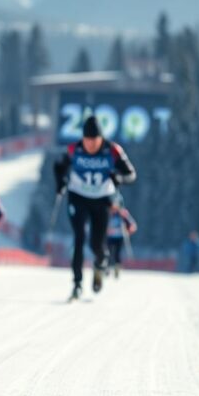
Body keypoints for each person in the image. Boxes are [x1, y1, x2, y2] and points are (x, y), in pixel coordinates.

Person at [53, 115, 136, 299]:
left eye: (94, 140)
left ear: (101, 138)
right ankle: (77, 284)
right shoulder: (74, 149)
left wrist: (119, 177)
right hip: (78, 197)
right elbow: (59, 166)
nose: (90, 144)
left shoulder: (112, 150)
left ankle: (101, 262)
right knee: (79, 238)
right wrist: (61, 183)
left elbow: (131, 174)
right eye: (87, 140)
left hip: (102, 200)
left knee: (96, 244)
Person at [106, 195, 137, 278]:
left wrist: (129, 230)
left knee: (117, 253)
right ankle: (107, 268)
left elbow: (132, 225)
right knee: (107, 253)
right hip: (109, 237)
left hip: (119, 236)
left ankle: (117, 268)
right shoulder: (108, 213)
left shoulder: (123, 214)